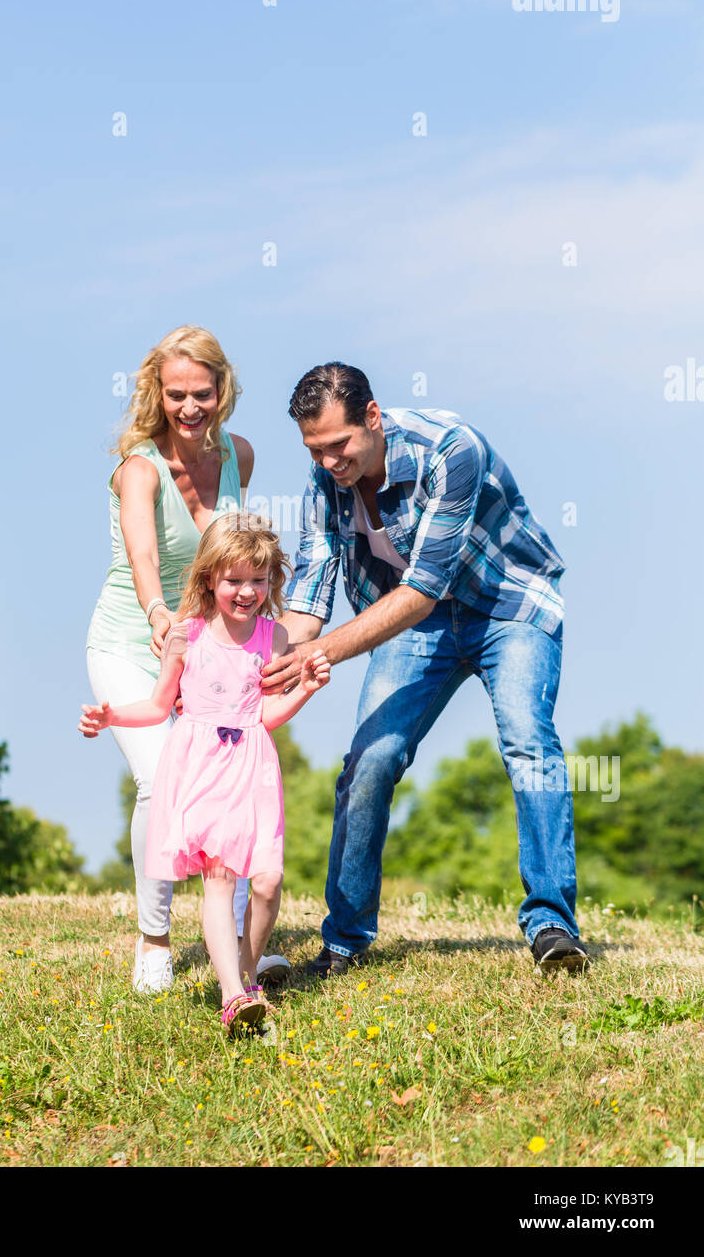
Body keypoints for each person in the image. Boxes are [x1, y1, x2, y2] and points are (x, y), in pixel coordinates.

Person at [261, 362, 588, 978]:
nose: (329, 461)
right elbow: (310, 591)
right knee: (370, 762)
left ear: (374, 417)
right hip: (417, 625)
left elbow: (423, 588)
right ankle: (344, 942)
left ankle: (551, 925)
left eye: (339, 445)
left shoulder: (451, 449)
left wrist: (323, 652)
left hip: (506, 605)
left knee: (528, 744)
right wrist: (269, 661)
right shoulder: (325, 479)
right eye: (315, 449)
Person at [85, 325, 289, 992]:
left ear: (221, 389)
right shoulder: (139, 468)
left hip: (206, 652)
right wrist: (159, 617)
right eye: (176, 395)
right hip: (130, 641)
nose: (190, 407)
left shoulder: (240, 457)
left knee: (228, 789)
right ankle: (153, 939)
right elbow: (145, 557)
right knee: (160, 781)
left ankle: (235, 944)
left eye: (202, 393)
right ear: (158, 393)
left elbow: (235, 553)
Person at [80, 514, 331, 1035]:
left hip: (253, 768)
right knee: (218, 879)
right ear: (209, 578)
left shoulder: (274, 637)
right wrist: (111, 717)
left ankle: (244, 970)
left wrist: (305, 686)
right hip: (199, 767)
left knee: (267, 881)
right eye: (234, 580)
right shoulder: (185, 637)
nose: (246, 592)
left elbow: (266, 715)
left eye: (258, 581)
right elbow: (157, 707)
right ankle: (234, 996)